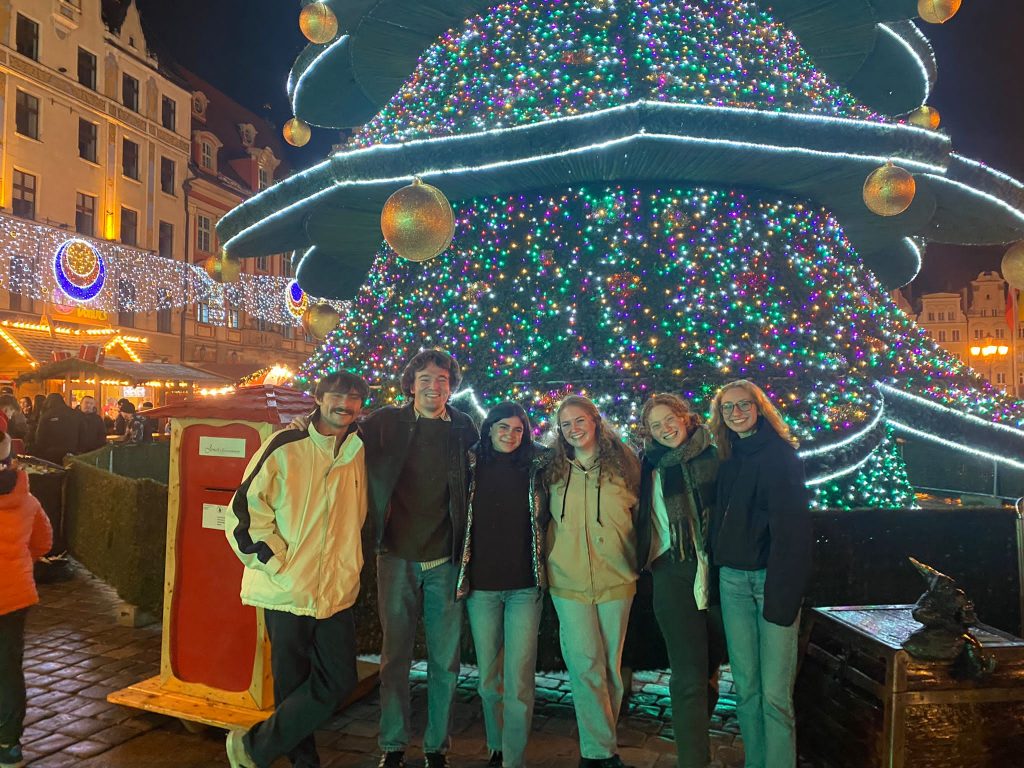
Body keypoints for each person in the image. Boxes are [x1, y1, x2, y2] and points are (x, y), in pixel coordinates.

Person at [223, 371, 370, 768]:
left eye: (354, 398)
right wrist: (276, 562)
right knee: (291, 684)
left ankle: (253, 747)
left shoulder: (357, 449)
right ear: (319, 398)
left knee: (340, 680)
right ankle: (304, 762)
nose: (345, 404)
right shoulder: (284, 445)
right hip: (286, 588)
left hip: (335, 589)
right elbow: (243, 513)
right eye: (337, 395)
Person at [361, 349, 478, 768]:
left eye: (442, 379)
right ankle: (393, 744)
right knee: (395, 657)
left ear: (452, 386)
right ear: (411, 384)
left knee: (445, 661)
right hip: (396, 557)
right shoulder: (384, 423)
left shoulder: (464, 428)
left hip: (445, 559)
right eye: (425, 378)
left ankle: (436, 748)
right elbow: (337, 435)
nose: (434, 386)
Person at [707, 380, 812, 768]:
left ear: (759, 408)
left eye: (743, 405)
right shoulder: (728, 455)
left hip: (771, 582)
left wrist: (785, 594)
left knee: (775, 695)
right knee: (746, 690)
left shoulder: (781, 457)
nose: (735, 413)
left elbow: (794, 532)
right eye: (728, 407)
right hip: (733, 580)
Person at [545, 395, 641, 768]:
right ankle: (599, 753)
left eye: (580, 420)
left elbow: (646, 516)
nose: (574, 429)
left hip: (617, 578)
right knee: (584, 664)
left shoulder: (625, 466)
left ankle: (601, 748)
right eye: (566, 424)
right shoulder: (553, 470)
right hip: (567, 581)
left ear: (596, 421)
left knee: (610, 669)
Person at [456, 403, 550, 768]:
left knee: (519, 679)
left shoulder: (538, 465)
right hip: (482, 587)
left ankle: (513, 758)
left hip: (525, 587)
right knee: (488, 679)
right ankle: (496, 746)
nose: (510, 435)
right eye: (503, 428)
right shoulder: (471, 464)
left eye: (517, 429)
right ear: (490, 429)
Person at [636, 394, 724, 768]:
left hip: (720, 569)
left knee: (711, 670)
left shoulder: (716, 457)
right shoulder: (648, 466)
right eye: (655, 425)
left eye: (669, 419)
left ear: (686, 417)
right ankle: (693, 759)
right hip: (672, 571)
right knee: (688, 676)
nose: (665, 429)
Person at [0, 441, 54, 768]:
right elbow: (44, 543)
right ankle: (8, 746)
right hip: (15, 596)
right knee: (8, 668)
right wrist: (19, 564)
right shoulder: (29, 501)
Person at [31, 394, 80, 465]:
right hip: (70, 450)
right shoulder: (73, 413)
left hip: (50, 452)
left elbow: (40, 436)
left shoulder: (47, 415)